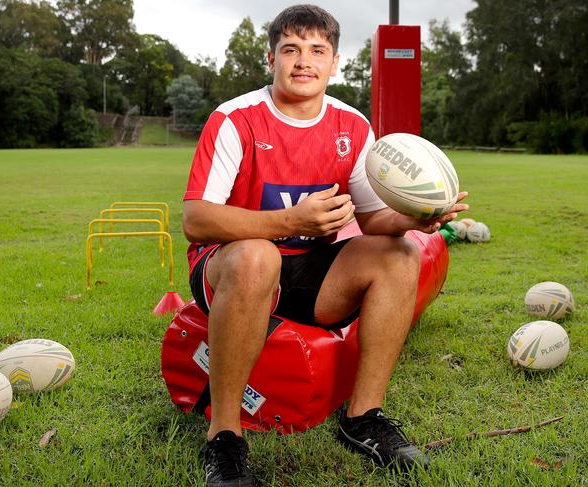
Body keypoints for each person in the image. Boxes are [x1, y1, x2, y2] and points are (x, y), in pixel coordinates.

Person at [182, 4, 468, 485]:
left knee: (398, 253)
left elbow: (373, 218)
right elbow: (196, 219)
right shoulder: (235, 120)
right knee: (258, 255)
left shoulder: (351, 126)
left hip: (312, 271)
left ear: (334, 62)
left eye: (317, 50)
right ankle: (224, 438)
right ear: (270, 57)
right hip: (231, 269)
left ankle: (363, 418)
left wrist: (418, 217)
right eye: (291, 49)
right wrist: (290, 220)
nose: (303, 61)